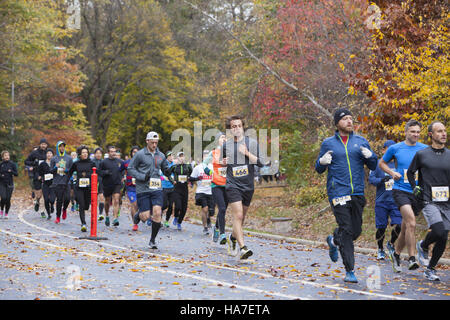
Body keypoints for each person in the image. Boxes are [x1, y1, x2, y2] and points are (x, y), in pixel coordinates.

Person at [315, 108, 378, 283]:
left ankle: (334, 240)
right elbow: (319, 169)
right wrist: (321, 162)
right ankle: (350, 270)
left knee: (355, 231)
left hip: (357, 191)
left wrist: (371, 156)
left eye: (351, 118)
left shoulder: (361, 141)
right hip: (338, 192)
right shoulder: (328, 143)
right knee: (347, 229)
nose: (350, 121)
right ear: (337, 123)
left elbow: (374, 165)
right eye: (345, 119)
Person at [379, 119, 427, 272]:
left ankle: (396, 253)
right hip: (400, 190)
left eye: (418, 132)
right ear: (406, 132)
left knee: (406, 227)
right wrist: (392, 172)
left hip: (417, 192)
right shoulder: (395, 148)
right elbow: (382, 163)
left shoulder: (425, 149)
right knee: (411, 223)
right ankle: (412, 258)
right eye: (413, 131)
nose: (415, 134)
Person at [407, 121, 449, 281]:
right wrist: (414, 187)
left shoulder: (449, 155)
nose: (443, 134)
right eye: (439, 131)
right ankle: (424, 245)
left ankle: (430, 269)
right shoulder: (422, 154)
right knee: (438, 230)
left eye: (444, 131)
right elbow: (411, 173)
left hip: (446, 201)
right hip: (428, 199)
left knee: (443, 236)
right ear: (431, 134)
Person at [221, 115, 267, 260]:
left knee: (242, 219)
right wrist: (223, 163)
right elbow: (223, 163)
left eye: (239, 125)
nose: (236, 128)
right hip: (232, 185)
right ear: (230, 129)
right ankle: (243, 248)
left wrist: (247, 153)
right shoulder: (226, 145)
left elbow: (260, 163)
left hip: (248, 186)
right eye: (233, 126)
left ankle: (233, 238)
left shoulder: (251, 143)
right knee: (238, 215)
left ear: (243, 127)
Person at [128, 131, 174, 249]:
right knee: (145, 216)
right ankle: (139, 214)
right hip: (143, 188)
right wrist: (142, 177)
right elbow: (131, 169)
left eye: (156, 143)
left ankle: (152, 240)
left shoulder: (161, 155)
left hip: (156, 187)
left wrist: (170, 173)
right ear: (147, 141)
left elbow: (164, 168)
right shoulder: (139, 154)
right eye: (152, 142)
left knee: (158, 212)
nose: (154, 145)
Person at [369, 140, 402, 260]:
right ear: (383, 150)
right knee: (381, 227)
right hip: (381, 201)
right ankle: (380, 249)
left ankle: (391, 243)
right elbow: (371, 179)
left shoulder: (400, 164)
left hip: (396, 201)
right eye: (388, 149)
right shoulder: (377, 164)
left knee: (399, 225)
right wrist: (381, 180)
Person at [203, 132, 228, 244]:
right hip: (216, 184)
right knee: (221, 208)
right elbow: (204, 163)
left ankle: (217, 228)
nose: (224, 139)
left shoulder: (230, 153)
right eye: (222, 137)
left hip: (228, 185)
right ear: (218, 140)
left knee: (223, 210)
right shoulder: (214, 153)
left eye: (226, 138)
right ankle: (222, 234)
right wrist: (208, 171)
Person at [68, 145, 96, 232]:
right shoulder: (76, 163)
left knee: (86, 206)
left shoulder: (92, 163)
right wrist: (66, 182)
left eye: (86, 152)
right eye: (83, 152)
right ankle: (83, 223)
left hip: (88, 188)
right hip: (79, 187)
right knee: (81, 205)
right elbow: (70, 173)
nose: (85, 154)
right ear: (79, 154)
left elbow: (97, 174)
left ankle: (83, 216)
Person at [98, 146, 124, 227]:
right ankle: (107, 216)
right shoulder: (104, 162)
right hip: (107, 184)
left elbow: (123, 170)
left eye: (114, 151)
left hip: (117, 184)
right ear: (108, 153)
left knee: (116, 200)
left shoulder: (120, 161)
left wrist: (122, 177)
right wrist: (106, 172)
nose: (113, 153)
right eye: (112, 152)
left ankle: (115, 218)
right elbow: (99, 172)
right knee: (107, 201)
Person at [167, 152, 193, 230]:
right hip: (176, 188)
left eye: (183, 156)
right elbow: (167, 174)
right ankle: (175, 216)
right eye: (180, 157)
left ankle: (179, 222)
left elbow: (191, 174)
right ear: (177, 158)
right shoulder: (174, 167)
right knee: (178, 205)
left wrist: (189, 179)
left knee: (184, 208)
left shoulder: (188, 167)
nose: (182, 158)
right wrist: (172, 181)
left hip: (185, 188)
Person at [191, 150, 214, 235]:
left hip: (211, 192)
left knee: (211, 212)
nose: (206, 158)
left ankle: (208, 218)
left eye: (208, 156)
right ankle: (205, 227)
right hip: (201, 191)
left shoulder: (213, 167)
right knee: (205, 209)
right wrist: (198, 178)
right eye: (205, 156)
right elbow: (191, 178)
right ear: (202, 158)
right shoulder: (198, 167)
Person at [50, 141, 73, 223]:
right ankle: (58, 217)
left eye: (63, 146)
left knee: (67, 199)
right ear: (57, 148)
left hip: (66, 182)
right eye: (60, 146)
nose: (62, 148)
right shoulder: (54, 159)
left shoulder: (69, 158)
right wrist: (56, 168)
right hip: (57, 182)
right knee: (59, 200)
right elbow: (51, 171)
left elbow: (71, 170)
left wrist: (66, 170)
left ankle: (64, 209)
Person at [24, 138, 49, 215]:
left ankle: (43, 211)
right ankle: (37, 201)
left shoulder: (48, 153)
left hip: (46, 175)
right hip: (37, 174)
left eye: (45, 144)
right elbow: (26, 161)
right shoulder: (34, 153)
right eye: (42, 144)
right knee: (39, 194)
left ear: (46, 145)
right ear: (40, 144)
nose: (43, 146)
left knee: (45, 194)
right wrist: (34, 163)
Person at [120, 146, 140, 231]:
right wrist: (121, 178)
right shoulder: (126, 163)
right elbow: (118, 170)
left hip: (141, 187)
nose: (135, 153)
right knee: (134, 204)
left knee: (139, 205)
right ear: (131, 153)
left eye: (137, 152)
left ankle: (142, 216)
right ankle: (135, 223)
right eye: (134, 152)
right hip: (130, 187)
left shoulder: (143, 163)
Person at [38, 149, 56, 220]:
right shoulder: (42, 164)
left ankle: (52, 205)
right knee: (46, 199)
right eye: (47, 153)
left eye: (50, 153)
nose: (49, 154)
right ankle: (48, 214)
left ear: (52, 155)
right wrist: (40, 177)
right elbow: (39, 173)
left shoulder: (55, 163)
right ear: (46, 155)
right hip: (45, 184)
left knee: (51, 200)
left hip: (53, 184)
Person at [0, 151, 18, 219]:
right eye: (5, 155)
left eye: (8, 155)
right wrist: (1, 175)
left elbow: (16, 174)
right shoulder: (1, 164)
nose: (7, 156)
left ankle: (6, 213)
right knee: (3, 198)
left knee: (8, 199)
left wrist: (11, 172)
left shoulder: (12, 164)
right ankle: (1, 210)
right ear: (2, 157)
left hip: (10, 184)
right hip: (2, 183)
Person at [161, 151, 176, 228]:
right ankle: (158, 219)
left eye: (172, 155)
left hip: (172, 188)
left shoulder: (174, 165)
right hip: (164, 187)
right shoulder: (164, 164)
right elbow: (160, 173)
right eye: (169, 155)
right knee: (164, 205)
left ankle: (166, 220)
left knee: (170, 206)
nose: (171, 157)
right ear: (167, 157)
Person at [92, 148, 106, 222]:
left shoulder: (104, 162)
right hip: (93, 181)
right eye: (97, 153)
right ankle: (93, 213)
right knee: (94, 198)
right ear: (94, 154)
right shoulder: (92, 162)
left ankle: (100, 213)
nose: (98, 154)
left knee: (101, 197)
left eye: (100, 153)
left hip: (101, 181)